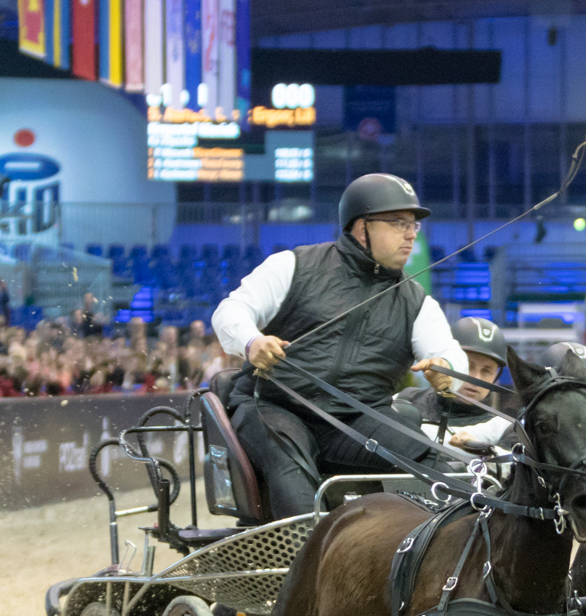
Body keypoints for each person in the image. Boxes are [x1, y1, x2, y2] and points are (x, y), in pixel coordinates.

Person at [211, 173, 472, 518]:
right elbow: (230, 310)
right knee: (288, 461)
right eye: (398, 223)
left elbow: (450, 354)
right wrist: (252, 341)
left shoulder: (417, 302)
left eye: (414, 226)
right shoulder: (294, 265)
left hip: (355, 421)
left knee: (439, 464)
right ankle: (303, 564)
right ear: (361, 227)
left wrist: (448, 372)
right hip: (274, 406)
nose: (411, 234)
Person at [394, 317, 515, 455]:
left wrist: (487, 451)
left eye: (486, 371)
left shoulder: (504, 428)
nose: (476, 378)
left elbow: (516, 469)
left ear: (496, 375)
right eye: (469, 366)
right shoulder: (405, 400)